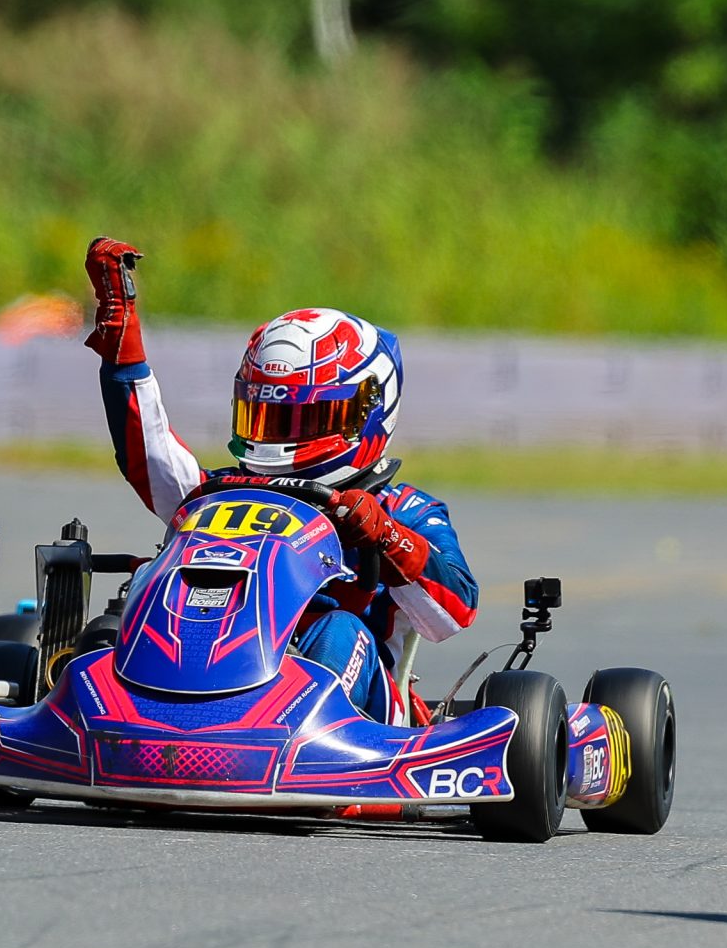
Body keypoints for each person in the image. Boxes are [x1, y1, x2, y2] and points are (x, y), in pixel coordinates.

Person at [81, 237, 477, 721]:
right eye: (267, 414)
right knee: (112, 629)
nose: (278, 438)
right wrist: (123, 355)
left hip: (359, 715)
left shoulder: (403, 510)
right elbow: (151, 457)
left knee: (339, 631)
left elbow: (454, 613)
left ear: (365, 414)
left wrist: (385, 537)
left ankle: (296, 740)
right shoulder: (216, 493)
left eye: (301, 420)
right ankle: (127, 720)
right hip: (222, 666)